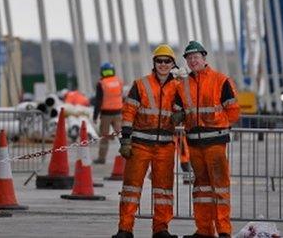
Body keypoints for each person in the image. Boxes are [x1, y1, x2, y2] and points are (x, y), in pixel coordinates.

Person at [113, 45, 184, 238]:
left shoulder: (178, 86)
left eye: (167, 61)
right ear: (154, 63)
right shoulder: (141, 84)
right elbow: (128, 113)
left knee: (164, 191)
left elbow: (185, 107)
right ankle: (125, 229)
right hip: (140, 145)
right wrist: (125, 140)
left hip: (165, 146)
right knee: (131, 188)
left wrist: (181, 113)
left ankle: (161, 229)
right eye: (159, 61)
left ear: (172, 64)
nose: (163, 64)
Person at [176, 41, 241, 238]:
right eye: (189, 58)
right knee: (201, 189)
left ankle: (223, 231)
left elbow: (233, 110)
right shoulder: (183, 85)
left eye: (196, 57)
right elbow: (178, 111)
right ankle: (204, 230)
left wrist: (220, 127)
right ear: (186, 62)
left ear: (204, 58)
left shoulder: (221, 80)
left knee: (220, 188)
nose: (193, 60)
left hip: (215, 144)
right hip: (195, 144)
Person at [93, 62, 124, 164]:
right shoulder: (119, 81)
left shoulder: (101, 83)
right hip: (118, 113)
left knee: (104, 137)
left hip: (106, 114)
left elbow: (98, 101)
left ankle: (101, 158)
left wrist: (95, 116)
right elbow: (122, 96)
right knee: (122, 136)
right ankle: (127, 156)